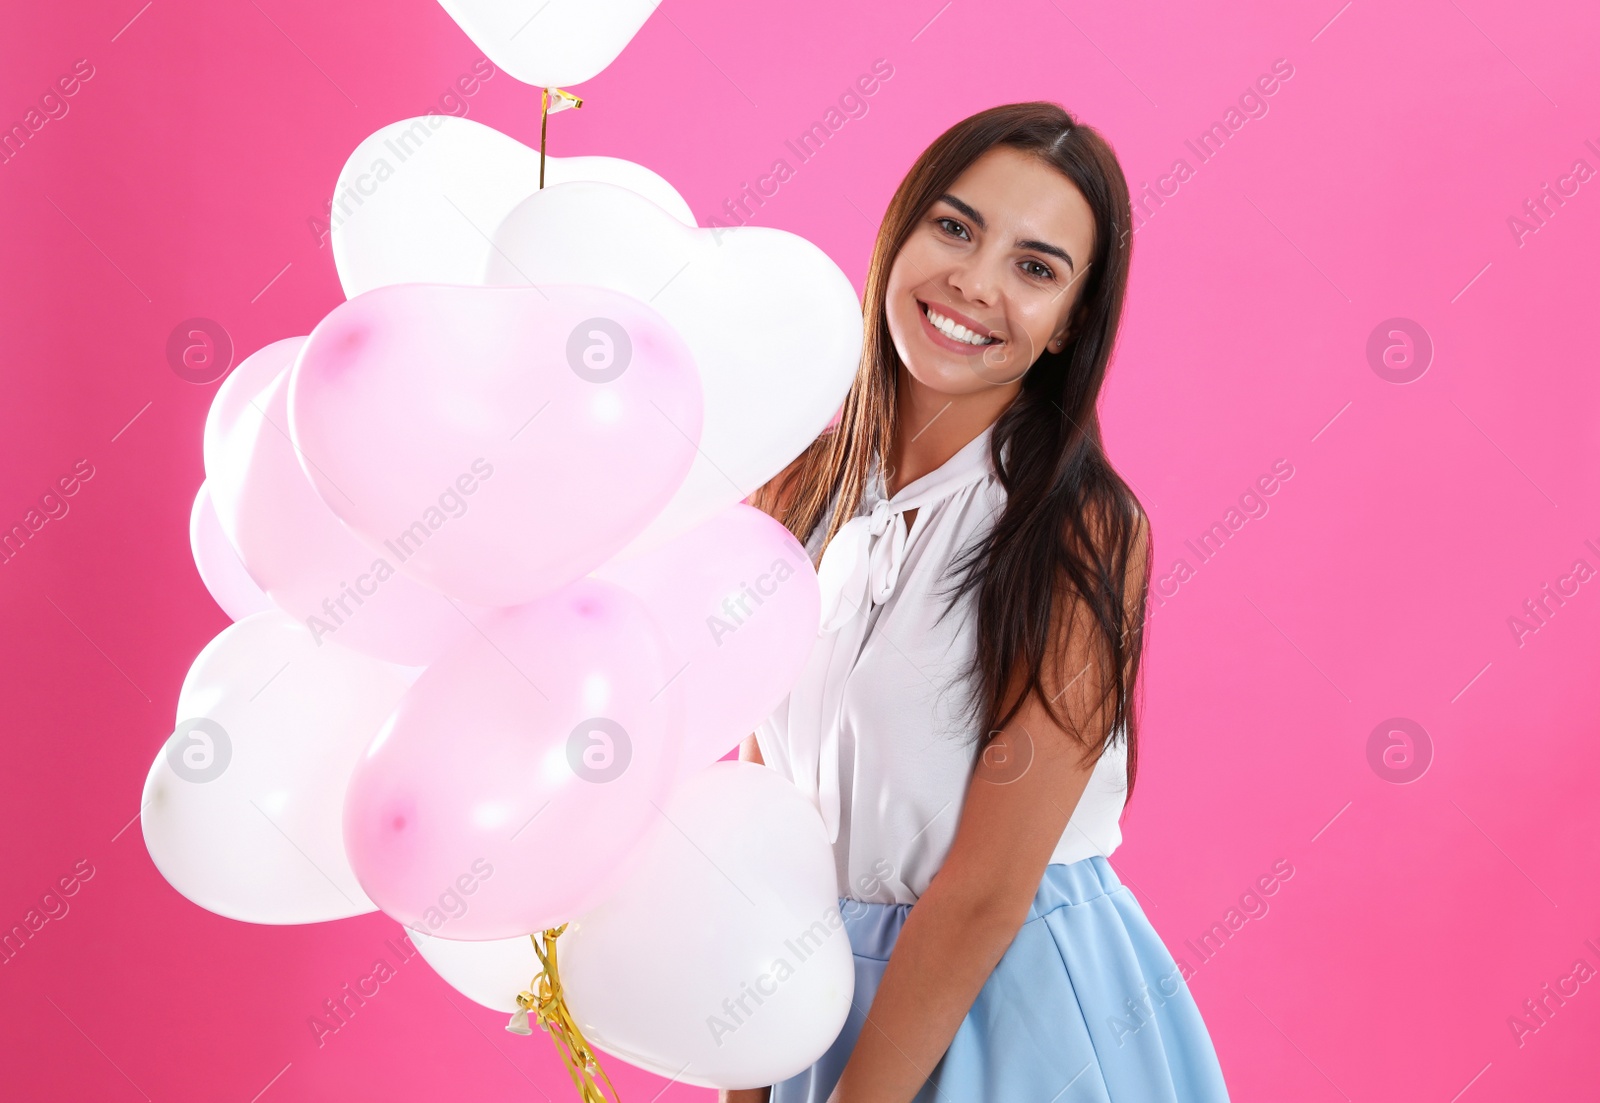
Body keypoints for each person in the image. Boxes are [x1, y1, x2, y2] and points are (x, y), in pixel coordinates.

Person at [722, 103, 1232, 1102]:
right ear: (900, 230)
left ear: (1068, 324)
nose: (974, 282)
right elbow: (762, 812)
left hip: (1014, 996)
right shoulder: (793, 488)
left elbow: (987, 888)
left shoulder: (1078, 528)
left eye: (1034, 267)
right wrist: (747, 1071)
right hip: (812, 997)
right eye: (954, 228)